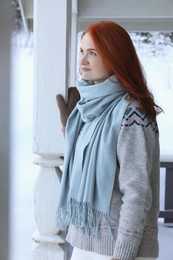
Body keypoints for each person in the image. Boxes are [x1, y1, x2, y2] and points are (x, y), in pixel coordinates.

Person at [56, 21, 162, 260]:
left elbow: (136, 193)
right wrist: (72, 134)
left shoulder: (132, 113)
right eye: (81, 51)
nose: (82, 60)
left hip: (119, 250)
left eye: (92, 53)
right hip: (85, 242)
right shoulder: (89, 109)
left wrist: (122, 255)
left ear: (115, 58)